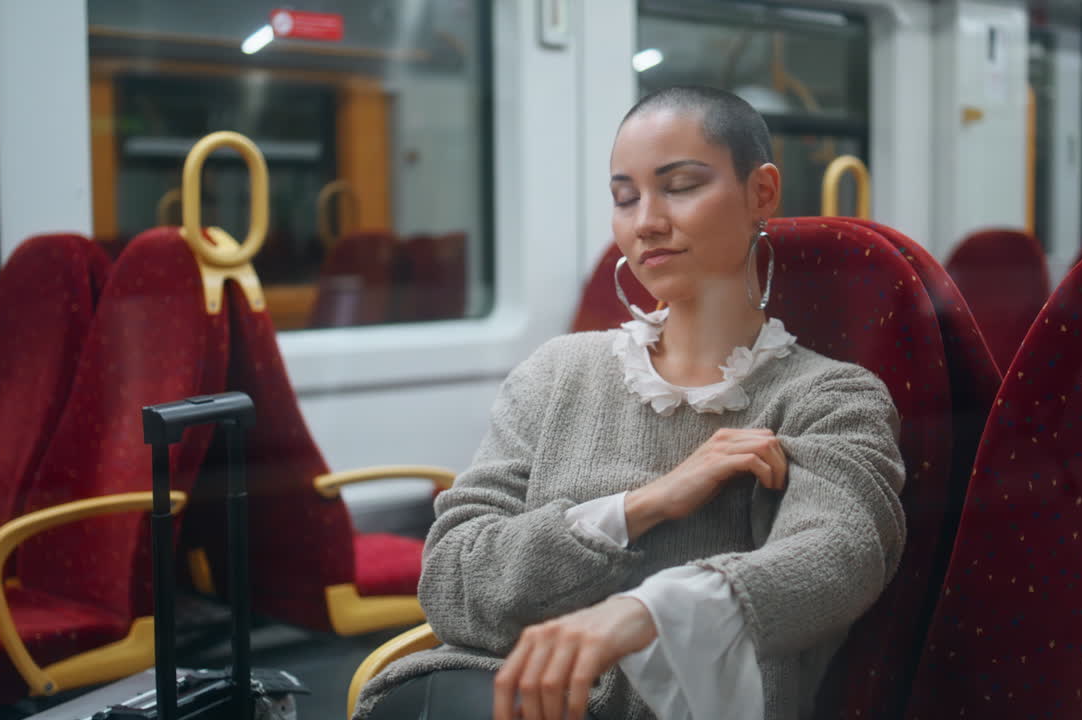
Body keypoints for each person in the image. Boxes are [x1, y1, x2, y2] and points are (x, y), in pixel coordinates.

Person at [356, 85, 906, 720]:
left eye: (680, 186)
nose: (645, 221)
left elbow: (838, 557)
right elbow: (451, 582)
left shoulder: (831, 397)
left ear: (761, 192)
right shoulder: (556, 373)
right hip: (487, 691)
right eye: (625, 197)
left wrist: (644, 613)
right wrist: (642, 506)